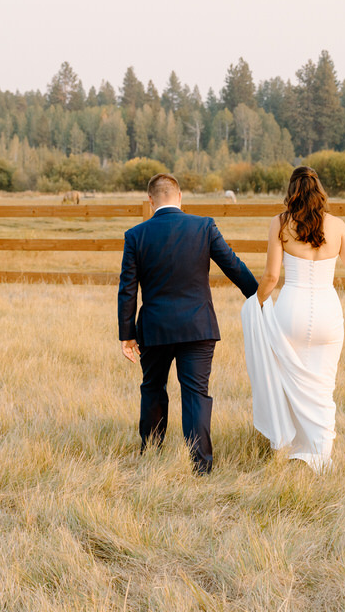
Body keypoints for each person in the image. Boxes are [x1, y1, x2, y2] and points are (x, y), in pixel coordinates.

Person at [241, 166, 345, 471]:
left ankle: (297, 446)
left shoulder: (280, 224)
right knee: (323, 384)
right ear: (320, 191)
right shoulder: (338, 226)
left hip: (290, 311)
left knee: (290, 380)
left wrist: (256, 303)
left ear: (292, 192)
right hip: (327, 312)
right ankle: (320, 453)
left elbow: (270, 276)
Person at [117, 173, 258, 474]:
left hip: (155, 329)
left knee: (153, 388)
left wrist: (127, 335)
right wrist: (260, 297)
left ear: (150, 201)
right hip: (198, 326)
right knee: (195, 393)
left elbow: (127, 289)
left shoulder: (135, 235)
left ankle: (151, 454)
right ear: (180, 198)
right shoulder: (203, 226)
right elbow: (233, 266)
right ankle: (201, 465)